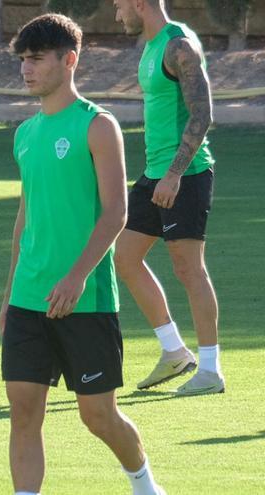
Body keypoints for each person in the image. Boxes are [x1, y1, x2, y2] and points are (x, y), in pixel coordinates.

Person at [0, 14, 164, 495]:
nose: (26, 69)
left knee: (98, 416)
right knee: (23, 412)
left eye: (36, 59)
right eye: (23, 60)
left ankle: (144, 483)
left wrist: (75, 278)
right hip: (31, 297)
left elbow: (116, 213)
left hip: (86, 299)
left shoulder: (97, 125)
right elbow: (24, 219)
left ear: (69, 60)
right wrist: (10, 293)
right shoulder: (25, 133)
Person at [113, 0, 223, 395]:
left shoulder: (179, 45)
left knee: (188, 269)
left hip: (185, 175)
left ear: (140, 3)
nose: (116, 14)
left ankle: (210, 370)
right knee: (124, 257)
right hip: (154, 174)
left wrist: (174, 175)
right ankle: (174, 350)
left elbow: (202, 114)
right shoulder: (151, 44)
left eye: (119, 5)